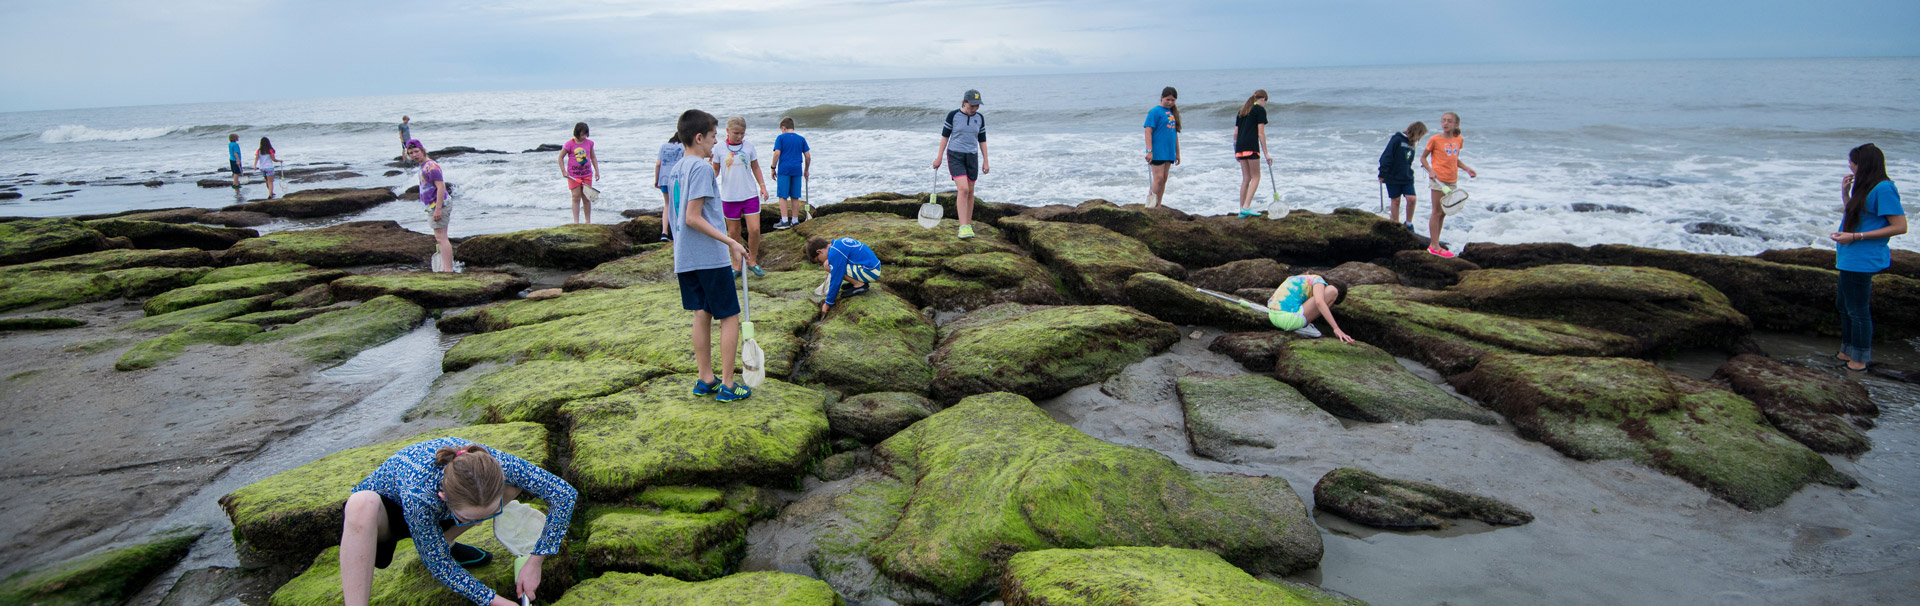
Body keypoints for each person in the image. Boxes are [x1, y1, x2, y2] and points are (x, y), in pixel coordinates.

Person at [338, 437, 576, 606]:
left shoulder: (494, 465)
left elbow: (564, 494)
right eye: (472, 519)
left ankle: (448, 542)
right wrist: (495, 601)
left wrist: (535, 563)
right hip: (388, 518)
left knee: (515, 485)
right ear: (444, 499)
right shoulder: (419, 495)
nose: (481, 524)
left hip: (444, 511)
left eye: (488, 514)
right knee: (361, 503)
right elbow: (438, 564)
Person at [668, 109, 754, 402]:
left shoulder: (676, 168)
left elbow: (675, 215)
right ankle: (728, 386)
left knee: (701, 313)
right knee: (730, 316)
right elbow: (693, 217)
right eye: (715, 136)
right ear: (699, 137)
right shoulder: (702, 169)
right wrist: (731, 241)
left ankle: (706, 378)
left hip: (686, 257)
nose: (717, 143)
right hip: (708, 256)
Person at [1832, 143, 1907, 372]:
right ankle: (1847, 351)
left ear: (1862, 164)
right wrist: (1845, 193)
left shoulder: (1884, 189)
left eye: (1852, 163)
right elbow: (1859, 216)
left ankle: (1859, 360)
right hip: (1850, 254)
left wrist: (1855, 236)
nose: (1850, 167)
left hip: (1863, 257)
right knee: (1844, 305)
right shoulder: (1865, 187)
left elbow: (1900, 226)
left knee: (1857, 309)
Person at [712, 116, 768, 278]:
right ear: (728, 131)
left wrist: (762, 187)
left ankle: (752, 262)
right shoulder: (719, 149)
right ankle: (736, 265)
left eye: (742, 133)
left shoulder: (749, 146)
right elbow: (715, 170)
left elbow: (756, 167)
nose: (739, 136)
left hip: (749, 195)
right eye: (736, 133)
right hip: (729, 197)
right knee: (733, 234)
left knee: (755, 230)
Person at [933, 90, 988, 239]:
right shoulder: (953, 116)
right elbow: (945, 137)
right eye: (973, 105)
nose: (975, 108)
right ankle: (962, 227)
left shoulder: (979, 118)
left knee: (970, 191)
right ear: (965, 102)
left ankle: (968, 225)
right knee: (963, 189)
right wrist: (939, 158)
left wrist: (986, 160)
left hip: (972, 157)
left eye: (977, 105)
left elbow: (982, 140)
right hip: (955, 155)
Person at [1420, 111, 1476, 257]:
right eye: (1443, 120)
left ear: (1456, 124)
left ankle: (1436, 244)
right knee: (1436, 212)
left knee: (1443, 213)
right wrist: (1431, 170)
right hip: (1438, 180)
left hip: (1452, 181)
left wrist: (1467, 169)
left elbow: (1454, 159)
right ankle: (1434, 246)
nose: (1445, 123)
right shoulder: (1435, 139)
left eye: (1449, 121)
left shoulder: (1459, 140)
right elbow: (1423, 159)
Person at [406, 139, 454, 272]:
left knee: (441, 237)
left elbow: (441, 187)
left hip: (439, 205)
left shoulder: (431, 167)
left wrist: (438, 209)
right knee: (439, 237)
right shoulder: (423, 166)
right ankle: (445, 266)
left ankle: (448, 269)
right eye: (411, 153)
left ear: (422, 150)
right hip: (432, 207)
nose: (414, 155)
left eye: (416, 151)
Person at [805, 236, 881, 314]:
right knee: (835, 265)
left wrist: (828, 303)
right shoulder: (838, 243)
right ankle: (855, 282)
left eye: (819, 260)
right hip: (873, 267)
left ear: (819, 252)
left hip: (870, 271)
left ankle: (859, 284)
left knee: (827, 265)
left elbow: (836, 279)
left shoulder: (835, 252)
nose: (821, 262)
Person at [1266, 274, 1353, 342]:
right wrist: (1336, 328)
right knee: (1332, 291)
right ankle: (1303, 327)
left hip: (1273, 317)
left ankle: (1302, 324)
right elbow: (1319, 302)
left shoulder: (1304, 278)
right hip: (1289, 320)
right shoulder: (1319, 281)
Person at [1379, 121, 1428, 230]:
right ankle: (1395, 224)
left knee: (1412, 199)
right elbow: (1386, 156)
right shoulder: (1397, 139)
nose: (1419, 139)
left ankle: (1409, 223)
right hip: (1393, 176)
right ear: (1416, 132)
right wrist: (1382, 173)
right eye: (1420, 136)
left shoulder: (1411, 144)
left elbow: (1408, 161)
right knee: (1395, 200)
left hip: (1406, 177)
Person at [1233, 89, 1271, 218]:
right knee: (1256, 177)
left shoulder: (1242, 111)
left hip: (1240, 147)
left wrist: (1236, 151)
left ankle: (1241, 209)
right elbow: (1261, 133)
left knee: (1246, 178)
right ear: (1263, 99)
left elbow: (1235, 134)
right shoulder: (1260, 110)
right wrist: (1266, 154)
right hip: (1251, 146)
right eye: (1265, 101)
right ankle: (1246, 207)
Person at [770, 117, 811, 230]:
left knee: (782, 195)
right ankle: (795, 220)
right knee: (795, 196)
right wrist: (806, 169)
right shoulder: (801, 139)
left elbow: (777, 153)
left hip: (784, 169)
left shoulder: (781, 138)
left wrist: (773, 167)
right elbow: (807, 156)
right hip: (797, 169)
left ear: (783, 128)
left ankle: (784, 221)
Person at [1143, 87, 1181, 209]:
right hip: (1157, 150)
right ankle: (1151, 203)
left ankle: (1158, 204)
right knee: (1158, 179)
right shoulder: (1155, 111)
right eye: (1168, 99)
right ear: (1162, 97)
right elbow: (1148, 130)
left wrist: (1178, 153)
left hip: (1169, 151)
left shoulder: (1172, 113)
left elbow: (1174, 135)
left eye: (1173, 100)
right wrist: (1149, 151)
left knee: (1164, 179)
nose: (1170, 102)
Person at [559, 122, 600, 224]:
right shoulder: (569, 144)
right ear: (576, 133)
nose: (584, 136)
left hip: (587, 173)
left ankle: (587, 221)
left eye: (585, 134)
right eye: (582, 134)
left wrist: (597, 171)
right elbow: (560, 157)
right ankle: (576, 222)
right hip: (573, 175)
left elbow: (593, 157)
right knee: (576, 197)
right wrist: (563, 171)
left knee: (587, 198)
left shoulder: (589, 143)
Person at [654, 133, 684, 242]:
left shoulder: (664, 146)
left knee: (667, 205)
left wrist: (657, 180)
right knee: (679, 204)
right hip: (678, 179)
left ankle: (664, 233)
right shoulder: (683, 147)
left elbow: (658, 164)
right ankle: (679, 231)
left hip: (664, 179)